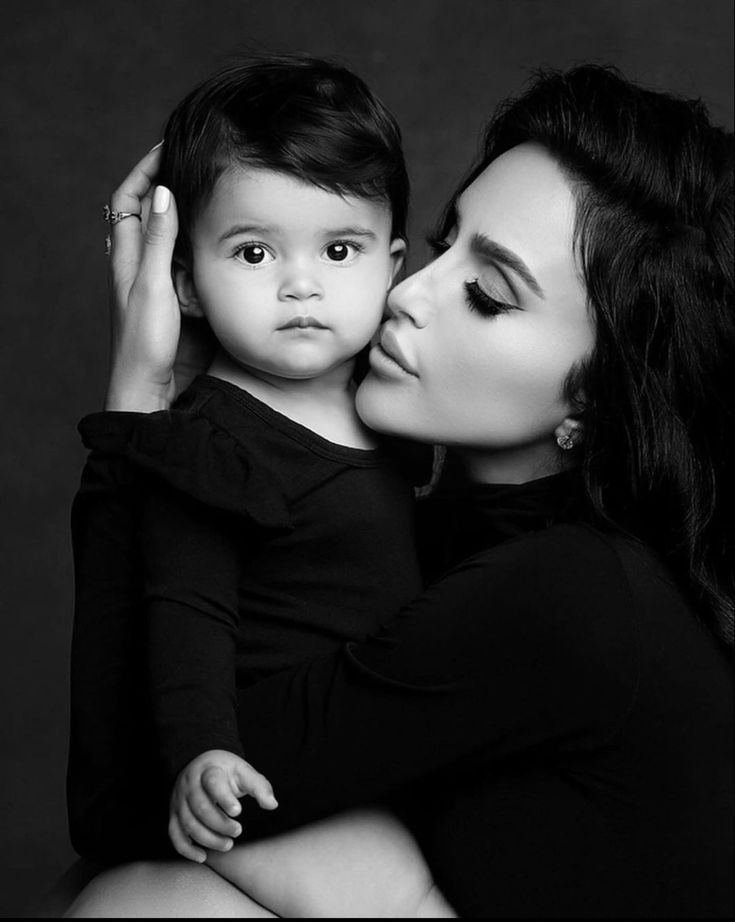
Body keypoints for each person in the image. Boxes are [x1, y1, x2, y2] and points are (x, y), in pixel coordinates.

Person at [66, 64, 733, 917]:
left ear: (594, 397)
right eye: (437, 245)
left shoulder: (570, 594)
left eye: (486, 295)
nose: (408, 294)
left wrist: (142, 403)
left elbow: (128, 797)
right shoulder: (428, 521)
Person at [67, 51, 456, 917]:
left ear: (392, 264)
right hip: (262, 764)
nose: (301, 284)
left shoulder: (391, 406)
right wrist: (204, 752)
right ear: (189, 285)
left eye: (340, 248)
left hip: (367, 746)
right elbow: (186, 608)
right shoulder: (206, 439)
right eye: (251, 252)